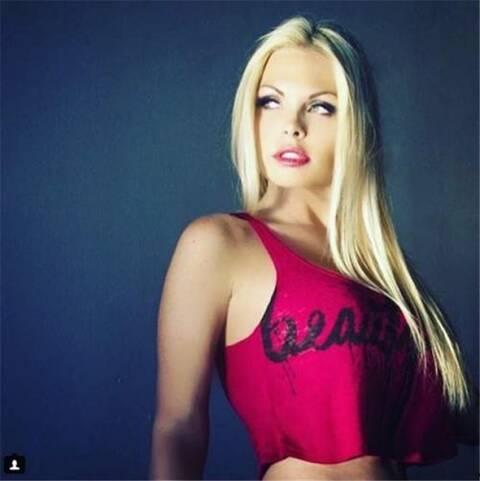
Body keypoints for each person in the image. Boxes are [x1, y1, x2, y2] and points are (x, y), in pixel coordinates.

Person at [148, 15, 478, 480]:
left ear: (355, 124)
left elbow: (460, 413)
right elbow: (178, 426)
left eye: (321, 107)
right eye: (270, 102)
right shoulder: (221, 244)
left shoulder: (385, 275)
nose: (292, 126)